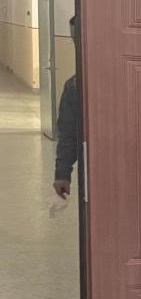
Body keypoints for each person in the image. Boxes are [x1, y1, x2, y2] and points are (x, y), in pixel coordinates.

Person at [52, 14, 79, 199]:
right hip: (97, 170)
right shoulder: (74, 86)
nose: (77, 45)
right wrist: (62, 173)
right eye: (74, 40)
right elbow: (69, 133)